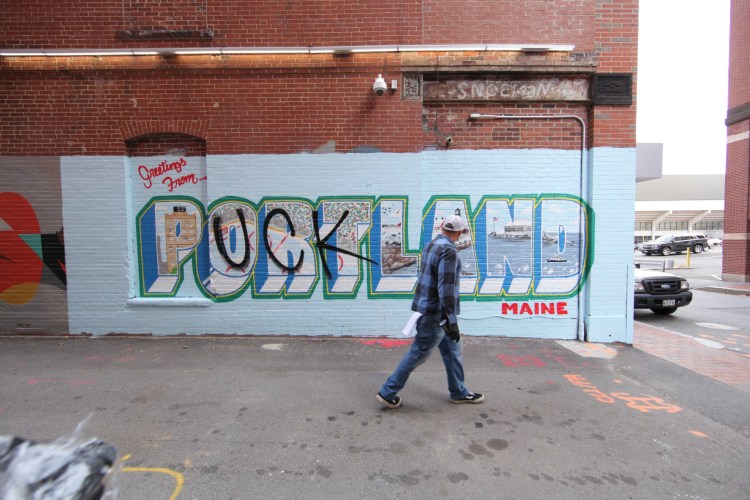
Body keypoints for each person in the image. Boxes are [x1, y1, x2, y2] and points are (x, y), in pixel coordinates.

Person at [376, 214, 484, 408]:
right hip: (437, 314)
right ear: (459, 233)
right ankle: (387, 392)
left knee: (453, 351)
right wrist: (450, 319)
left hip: (431, 309)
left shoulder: (431, 245)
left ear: (442, 227)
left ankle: (458, 392)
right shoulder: (449, 251)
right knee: (418, 353)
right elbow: (446, 287)